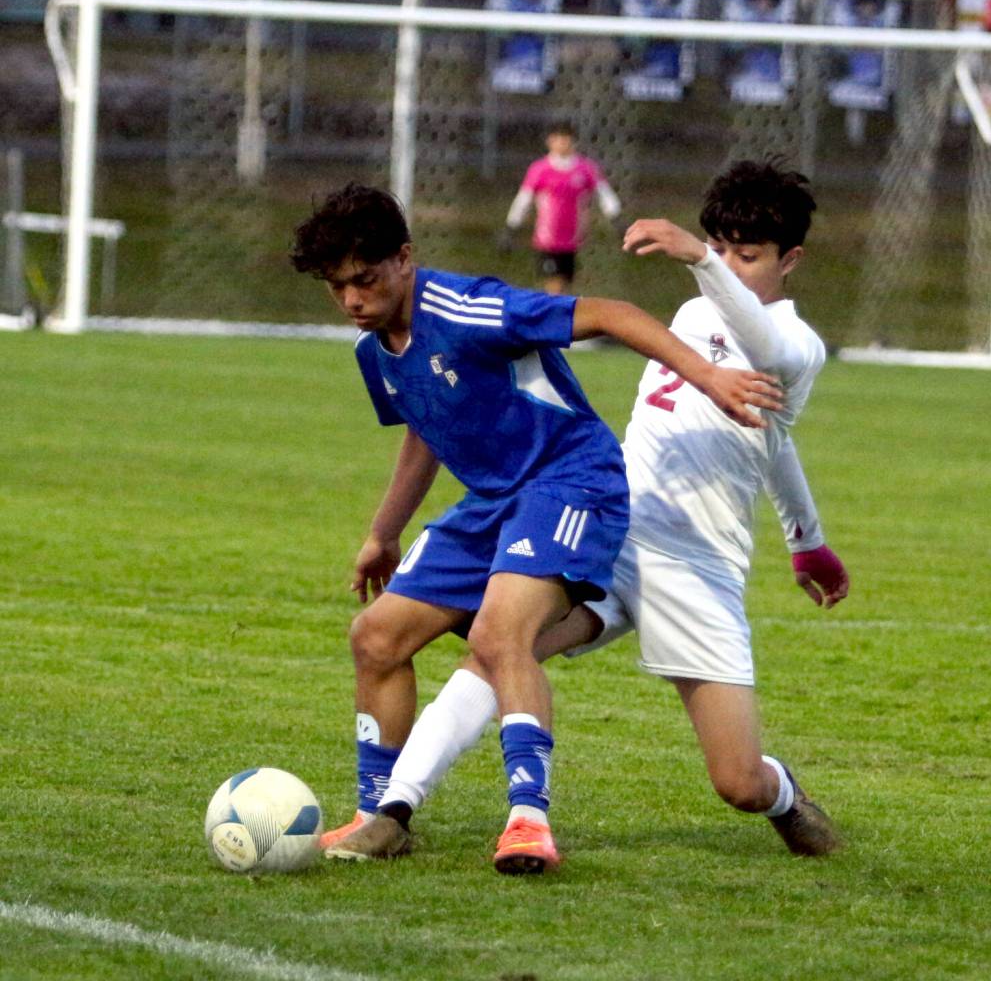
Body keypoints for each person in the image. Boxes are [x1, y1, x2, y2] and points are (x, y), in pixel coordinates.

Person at [322, 161, 849, 865]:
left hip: (696, 564)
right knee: (499, 642)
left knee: (738, 782)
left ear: (791, 261)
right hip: (615, 524)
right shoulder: (694, 317)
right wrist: (807, 539)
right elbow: (758, 425)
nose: (727, 267)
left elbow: (769, 415)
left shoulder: (795, 346)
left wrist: (804, 537)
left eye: (745, 257)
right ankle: (394, 809)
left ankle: (781, 795)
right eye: (719, 249)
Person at [499, 124, 623, 294]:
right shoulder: (540, 169)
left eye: (566, 139)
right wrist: (511, 227)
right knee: (554, 287)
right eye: (558, 139)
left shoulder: (585, 168)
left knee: (563, 287)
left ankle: (553, 311)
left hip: (572, 239)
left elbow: (604, 193)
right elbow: (523, 200)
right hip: (547, 239)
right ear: (550, 142)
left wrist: (617, 220)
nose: (562, 144)